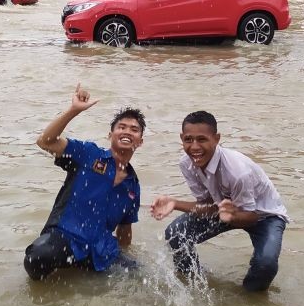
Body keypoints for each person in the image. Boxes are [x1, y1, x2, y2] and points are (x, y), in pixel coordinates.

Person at [150, 111, 288, 292]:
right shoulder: (187, 163)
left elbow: (251, 217)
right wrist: (175, 203)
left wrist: (231, 216)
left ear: (216, 139)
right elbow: (207, 204)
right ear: (181, 138)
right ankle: (194, 282)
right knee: (176, 233)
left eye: (202, 139)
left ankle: (250, 299)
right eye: (188, 140)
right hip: (224, 210)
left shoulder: (238, 171)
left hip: (264, 216)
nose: (194, 147)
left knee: (266, 264)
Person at [24, 84, 146, 280]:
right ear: (110, 135)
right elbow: (45, 142)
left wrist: (128, 255)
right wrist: (73, 111)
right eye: (121, 127)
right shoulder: (89, 154)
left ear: (140, 141)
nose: (127, 132)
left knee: (140, 279)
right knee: (36, 260)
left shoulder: (133, 187)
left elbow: (125, 230)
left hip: (101, 250)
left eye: (134, 130)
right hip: (66, 237)